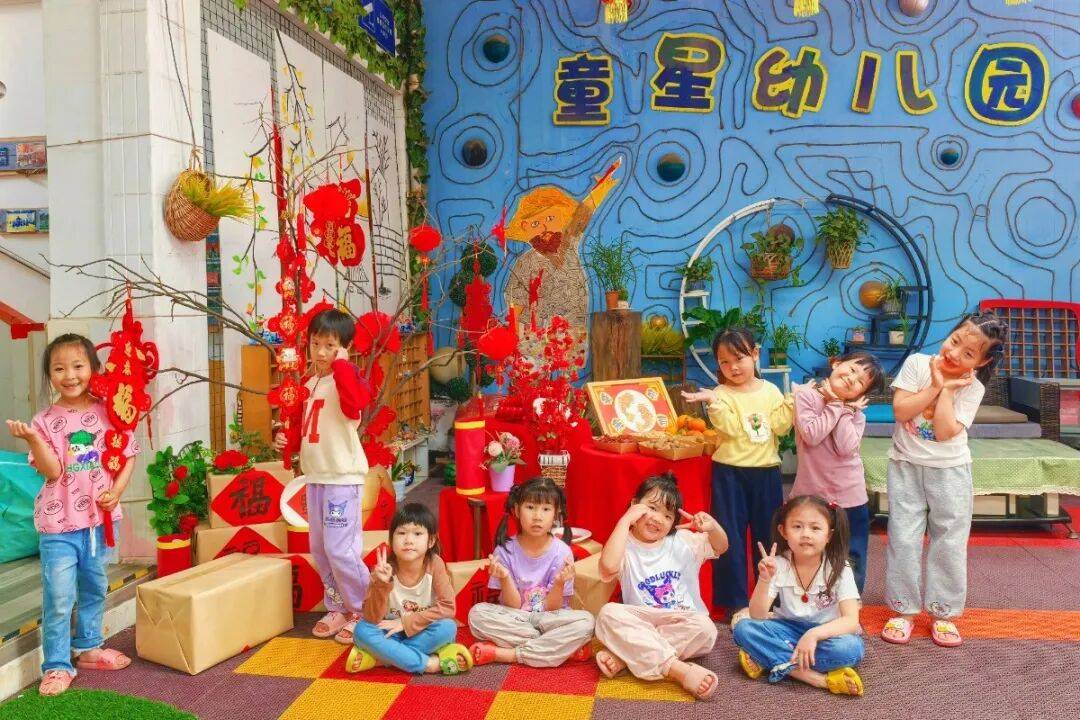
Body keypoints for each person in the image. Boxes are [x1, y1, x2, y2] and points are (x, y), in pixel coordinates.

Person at [6, 334, 140, 696]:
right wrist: (33, 439)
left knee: (95, 586)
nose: (69, 375)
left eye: (78, 366)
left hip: (99, 525)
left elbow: (128, 455)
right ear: (49, 375)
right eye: (59, 368)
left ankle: (89, 648)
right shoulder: (44, 421)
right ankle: (56, 665)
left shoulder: (111, 411)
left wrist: (117, 493)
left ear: (93, 368)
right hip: (59, 526)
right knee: (60, 597)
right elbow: (52, 472)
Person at [881, 311, 1009, 647]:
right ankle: (903, 610)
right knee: (903, 537)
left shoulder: (973, 388)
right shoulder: (917, 364)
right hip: (905, 465)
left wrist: (949, 392)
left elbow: (944, 431)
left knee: (949, 541)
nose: (953, 353)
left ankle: (944, 613)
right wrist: (937, 385)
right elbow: (901, 411)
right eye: (954, 341)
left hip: (950, 470)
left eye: (968, 353)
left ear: (981, 362)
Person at [681, 327, 794, 617]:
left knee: (769, 535)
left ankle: (770, 597)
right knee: (729, 535)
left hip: (766, 472)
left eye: (739, 358)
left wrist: (792, 403)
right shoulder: (720, 394)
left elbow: (780, 427)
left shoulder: (770, 391)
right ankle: (734, 602)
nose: (733, 367)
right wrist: (714, 404)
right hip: (729, 473)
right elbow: (729, 429)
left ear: (755, 354)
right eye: (724, 362)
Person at [275, 309, 372, 644]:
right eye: (316, 344)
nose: (320, 352)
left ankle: (365, 610)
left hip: (342, 479)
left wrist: (342, 365)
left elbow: (355, 403)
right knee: (320, 549)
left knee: (340, 549)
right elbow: (306, 428)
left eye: (330, 346)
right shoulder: (310, 383)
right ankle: (339, 607)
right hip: (316, 478)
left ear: (345, 348)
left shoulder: (348, 378)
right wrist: (285, 439)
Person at [593, 473, 728, 701]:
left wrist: (712, 528)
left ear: (674, 523)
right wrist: (625, 521)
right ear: (634, 505)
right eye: (652, 508)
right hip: (642, 619)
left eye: (667, 516)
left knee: (706, 630)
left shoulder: (683, 540)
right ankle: (678, 670)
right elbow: (607, 567)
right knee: (607, 614)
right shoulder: (623, 542)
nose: (658, 519)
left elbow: (721, 547)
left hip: (682, 619)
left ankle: (627, 655)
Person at [732, 495, 865, 696]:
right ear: (783, 531)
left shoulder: (839, 568)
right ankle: (814, 678)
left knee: (851, 648)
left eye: (815, 528)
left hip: (825, 635)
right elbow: (758, 615)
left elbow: (851, 621)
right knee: (743, 629)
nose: (806, 534)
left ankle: (769, 658)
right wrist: (764, 579)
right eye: (797, 527)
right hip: (787, 629)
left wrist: (813, 635)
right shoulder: (778, 564)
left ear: (829, 535)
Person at [467, 477, 595, 668]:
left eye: (546, 509)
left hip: (550, 619)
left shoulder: (562, 552)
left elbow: (553, 609)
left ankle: (509, 654)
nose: (537, 516)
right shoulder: (504, 550)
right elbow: (512, 605)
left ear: (556, 514)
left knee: (587, 621)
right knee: (477, 614)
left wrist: (559, 583)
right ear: (517, 510)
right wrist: (505, 577)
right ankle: (558, 646)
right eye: (530, 507)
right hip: (515, 617)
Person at [791, 350, 884, 591]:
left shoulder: (856, 415)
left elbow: (845, 448)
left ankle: (851, 603)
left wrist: (844, 409)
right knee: (808, 552)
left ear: (861, 394)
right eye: (852, 369)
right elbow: (812, 435)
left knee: (851, 556)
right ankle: (808, 601)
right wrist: (835, 405)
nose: (852, 378)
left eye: (861, 382)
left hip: (850, 497)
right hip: (811, 496)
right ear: (836, 364)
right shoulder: (807, 397)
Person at [346, 503, 473, 675]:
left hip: (422, 629)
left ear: (431, 541)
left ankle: (381, 659)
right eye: (401, 533)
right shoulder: (384, 568)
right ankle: (429, 663)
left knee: (447, 628)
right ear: (391, 540)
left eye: (417, 534)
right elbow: (371, 617)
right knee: (362, 630)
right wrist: (382, 584)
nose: (408, 540)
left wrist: (405, 623)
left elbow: (448, 607)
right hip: (389, 632)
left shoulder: (435, 564)